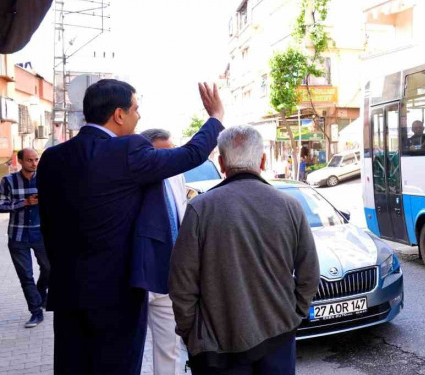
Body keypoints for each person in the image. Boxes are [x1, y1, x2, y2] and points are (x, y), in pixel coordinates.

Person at [37, 80, 225, 375]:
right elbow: (191, 154)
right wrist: (215, 118)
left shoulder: (51, 158)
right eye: (136, 109)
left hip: (68, 292)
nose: (139, 117)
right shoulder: (127, 150)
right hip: (116, 297)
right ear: (119, 114)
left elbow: (47, 225)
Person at [169, 125, 320, 375]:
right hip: (277, 339)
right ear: (262, 160)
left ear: (221, 162)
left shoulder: (199, 209)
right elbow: (309, 275)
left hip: (216, 349)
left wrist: (193, 334)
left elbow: (181, 285)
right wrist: (293, 316)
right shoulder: (290, 207)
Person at [133, 128, 188, 375]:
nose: (169, 161)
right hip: (135, 280)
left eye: (172, 154)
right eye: (162, 155)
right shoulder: (131, 179)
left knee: (171, 349)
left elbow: (181, 219)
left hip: (169, 277)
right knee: (127, 350)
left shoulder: (176, 176)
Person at [1, 148, 49, 328]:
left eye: (36, 159)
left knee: (49, 269)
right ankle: (36, 312)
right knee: (25, 276)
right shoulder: (8, 181)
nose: (34, 163)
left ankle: (41, 292)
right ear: (20, 161)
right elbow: (0, 204)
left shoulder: (45, 179)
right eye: (30, 160)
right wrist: (24, 202)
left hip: (41, 234)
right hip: (18, 236)